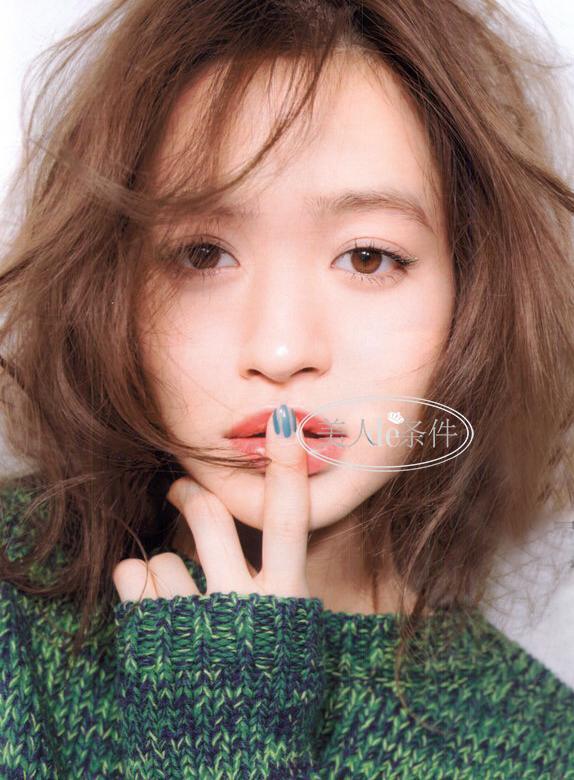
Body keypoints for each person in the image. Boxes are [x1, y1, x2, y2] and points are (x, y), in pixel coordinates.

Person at [0, 0, 573, 777]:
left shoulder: (543, 751)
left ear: (472, 292)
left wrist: (223, 744)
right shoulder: (14, 605)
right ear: (113, 286)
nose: (280, 351)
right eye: (203, 255)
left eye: (367, 257)